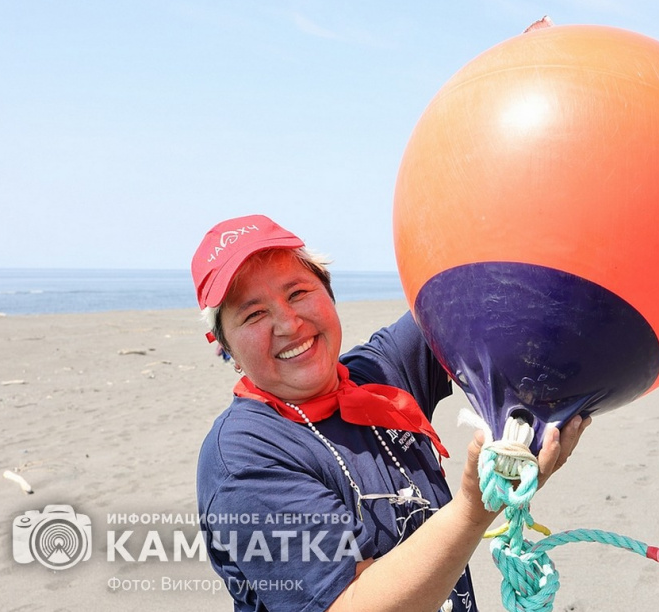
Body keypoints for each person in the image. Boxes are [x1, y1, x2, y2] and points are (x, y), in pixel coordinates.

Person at [191, 214, 591, 612]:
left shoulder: (382, 372)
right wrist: (474, 508)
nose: (288, 323)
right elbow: (345, 605)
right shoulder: (243, 459)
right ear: (227, 348)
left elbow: (477, 290)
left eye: (297, 293)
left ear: (328, 293)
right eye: (254, 314)